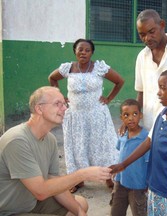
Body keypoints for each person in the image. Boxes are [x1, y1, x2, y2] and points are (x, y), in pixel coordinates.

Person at [0, 86, 112, 215]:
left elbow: (53, 180)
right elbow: (41, 191)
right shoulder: (17, 141)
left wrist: (80, 212)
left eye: (64, 104)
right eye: (58, 104)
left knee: (80, 204)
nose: (65, 109)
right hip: (8, 210)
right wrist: (82, 174)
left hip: (30, 202)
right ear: (39, 108)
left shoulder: (49, 139)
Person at [111, 68, 167, 215]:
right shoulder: (162, 114)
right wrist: (123, 164)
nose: (158, 92)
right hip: (154, 187)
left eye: (163, 88)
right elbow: (148, 143)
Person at [48, 38, 124, 192]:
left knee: (101, 146)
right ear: (75, 51)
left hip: (96, 114)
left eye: (87, 50)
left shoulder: (99, 68)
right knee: (78, 147)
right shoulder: (68, 68)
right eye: (80, 49)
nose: (83, 52)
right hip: (75, 116)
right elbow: (52, 78)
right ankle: (78, 179)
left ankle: (107, 177)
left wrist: (108, 98)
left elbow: (119, 81)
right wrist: (61, 97)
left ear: (92, 53)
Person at [109, 99, 149, 216]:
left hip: (138, 185)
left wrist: (148, 183)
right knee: (116, 212)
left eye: (135, 114)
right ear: (122, 118)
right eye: (126, 115)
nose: (131, 118)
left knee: (139, 212)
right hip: (120, 182)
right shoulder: (122, 134)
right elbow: (120, 153)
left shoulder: (146, 138)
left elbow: (149, 162)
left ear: (140, 115)